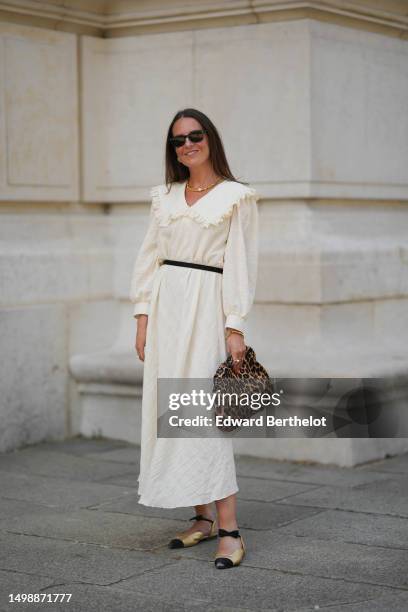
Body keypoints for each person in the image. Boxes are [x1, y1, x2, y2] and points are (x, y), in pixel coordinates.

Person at [129, 108, 259, 569]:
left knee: (206, 416)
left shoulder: (236, 197)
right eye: (178, 141)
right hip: (167, 307)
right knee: (174, 409)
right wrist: (143, 315)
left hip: (207, 307)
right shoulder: (164, 197)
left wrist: (235, 325)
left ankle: (230, 529)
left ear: (210, 138)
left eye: (194, 136)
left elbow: (242, 263)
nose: (187, 145)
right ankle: (201, 519)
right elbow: (149, 256)